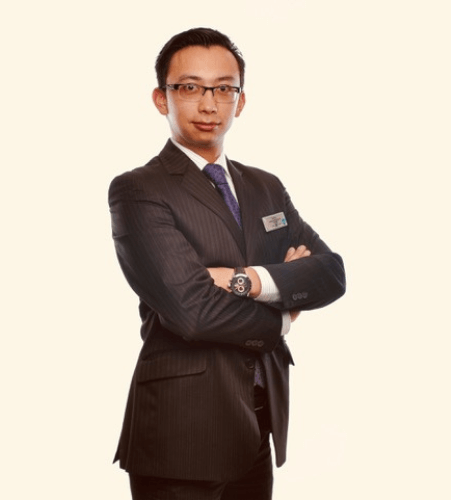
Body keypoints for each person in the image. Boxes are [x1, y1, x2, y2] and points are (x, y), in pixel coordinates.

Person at [108, 27, 346, 500]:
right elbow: (192, 312)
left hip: (258, 422)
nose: (209, 104)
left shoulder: (265, 186)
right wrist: (283, 315)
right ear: (161, 98)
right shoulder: (139, 190)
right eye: (190, 87)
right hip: (181, 432)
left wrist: (248, 280)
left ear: (241, 101)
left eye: (224, 89)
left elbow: (330, 273)